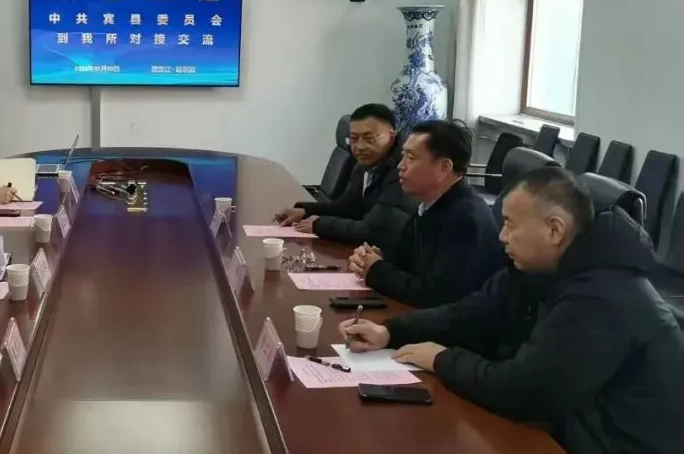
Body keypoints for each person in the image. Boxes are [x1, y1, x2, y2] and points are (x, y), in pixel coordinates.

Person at [340, 167, 684, 454]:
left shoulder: (603, 294)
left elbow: (524, 392)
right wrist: (391, 331)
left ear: (554, 229)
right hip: (569, 428)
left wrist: (443, 359)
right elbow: (469, 313)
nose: (502, 236)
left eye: (510, 224)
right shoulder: (541, 266)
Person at [349, 119, 504, 307]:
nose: (400, 165)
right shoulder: (430, 204)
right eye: (403, 156)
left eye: (411, 158)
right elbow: (407, 260)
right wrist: (374, 258)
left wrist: (376, 270)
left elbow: (436, 295)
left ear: (444, 167)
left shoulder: (465, 218)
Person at [274, 104, 413, 249]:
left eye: (369, 138)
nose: (359, 147)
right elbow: (347, 208)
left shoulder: (403, 172)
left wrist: (320, 225)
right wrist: (305, 212)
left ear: (391, 137)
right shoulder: (365, 162)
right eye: (354, 138)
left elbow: (375, 231)